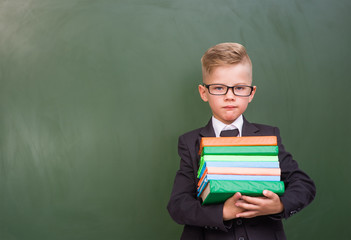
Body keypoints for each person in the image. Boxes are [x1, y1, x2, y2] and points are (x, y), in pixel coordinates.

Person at [167, 42, 316, 240]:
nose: (230, 96)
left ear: (251, 93)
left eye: (239, 88)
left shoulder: (268, 136)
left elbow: (304, 184)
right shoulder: (190, 142)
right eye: (219, 88)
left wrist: (279, 205)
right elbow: (178, 205)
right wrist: (222, 213)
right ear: (204, 92)